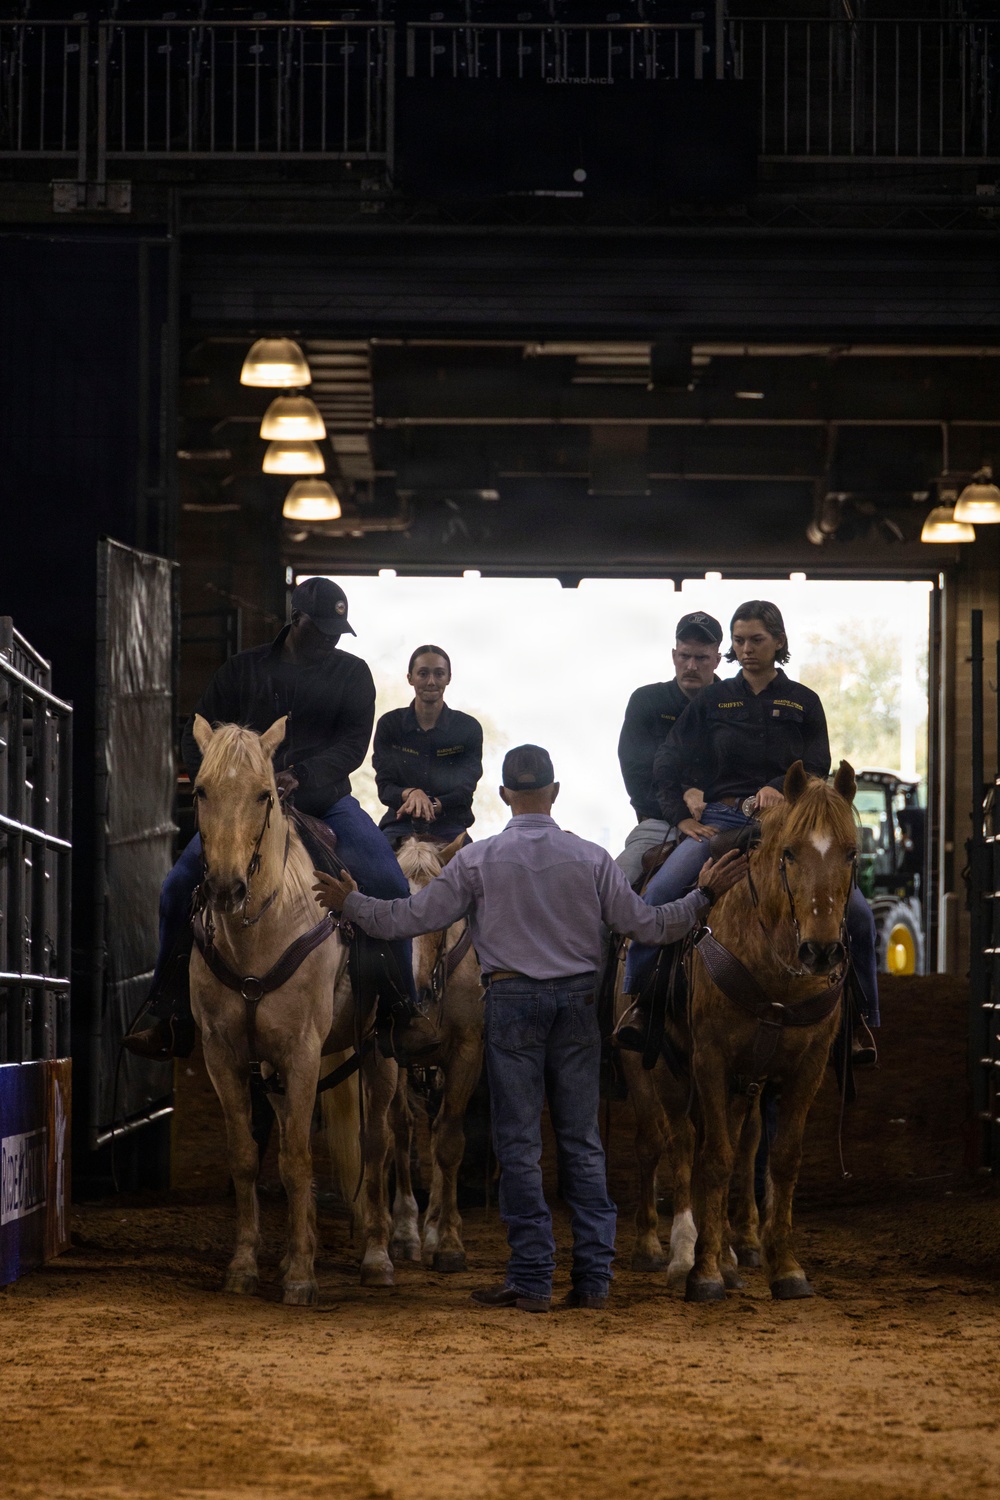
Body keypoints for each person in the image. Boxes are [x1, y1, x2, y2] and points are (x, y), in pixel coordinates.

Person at [312, 744, 747, 1313]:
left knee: (518, 1145)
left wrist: (353, 903)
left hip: (512, 1001)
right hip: (575, 1005)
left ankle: (533, 1278)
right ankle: (593, 1278)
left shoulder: (477, 861)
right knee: (582, 1145)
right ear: (555, 792)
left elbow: (409, 920)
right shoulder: (591, 859)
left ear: (502, 796)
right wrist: (704, 895)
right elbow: (648, 925)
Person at [124, 577, 438, 1062]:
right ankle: (169, 1014)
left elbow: (353, 746)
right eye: (324, 628)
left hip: (325, 801)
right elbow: (198, 731)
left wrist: (302, 776)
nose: (333, 637)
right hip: (241, 806)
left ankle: (401, 1012)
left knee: (388, 882)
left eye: (339, 629)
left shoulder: (353, 675)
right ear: (297, 620)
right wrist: (221, 777)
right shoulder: (241, 670)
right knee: (176, 887)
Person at [617, 600, 879, 1049]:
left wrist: (781, 787)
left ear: (779, 640)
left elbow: (818, 762)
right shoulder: (713, 700)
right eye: (739, 641)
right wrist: (679, 815)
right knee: (659, 894)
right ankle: (641, 1002)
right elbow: (668, 757)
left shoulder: (803, 701)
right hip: (721, 821)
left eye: (756, 639)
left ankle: (859, 1019)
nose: (746, 648)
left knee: (859, 913)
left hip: (790, 828)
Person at [615, 610, 723, 886]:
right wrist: (680, 812)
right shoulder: (646, 701)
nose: (691, 666)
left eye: (701, 658)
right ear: (674, 655)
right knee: (613, 887)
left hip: (724, 820)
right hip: (658, 824)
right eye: (684, 656)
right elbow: (637, 775)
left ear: (717, 660)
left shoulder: (734, 703)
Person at [373, 645, 483, 848]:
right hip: (399, 824)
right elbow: (385, 787)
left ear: (448, 678)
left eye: (439, 674)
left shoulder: (468, 728)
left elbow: (465, 789)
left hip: (450, 826)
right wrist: (412, 794)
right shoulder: (390, 724)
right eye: (423, 674)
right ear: (410, 678)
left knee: (474, 874)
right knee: (371, 871)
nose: (431, 681)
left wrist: (430, 804)